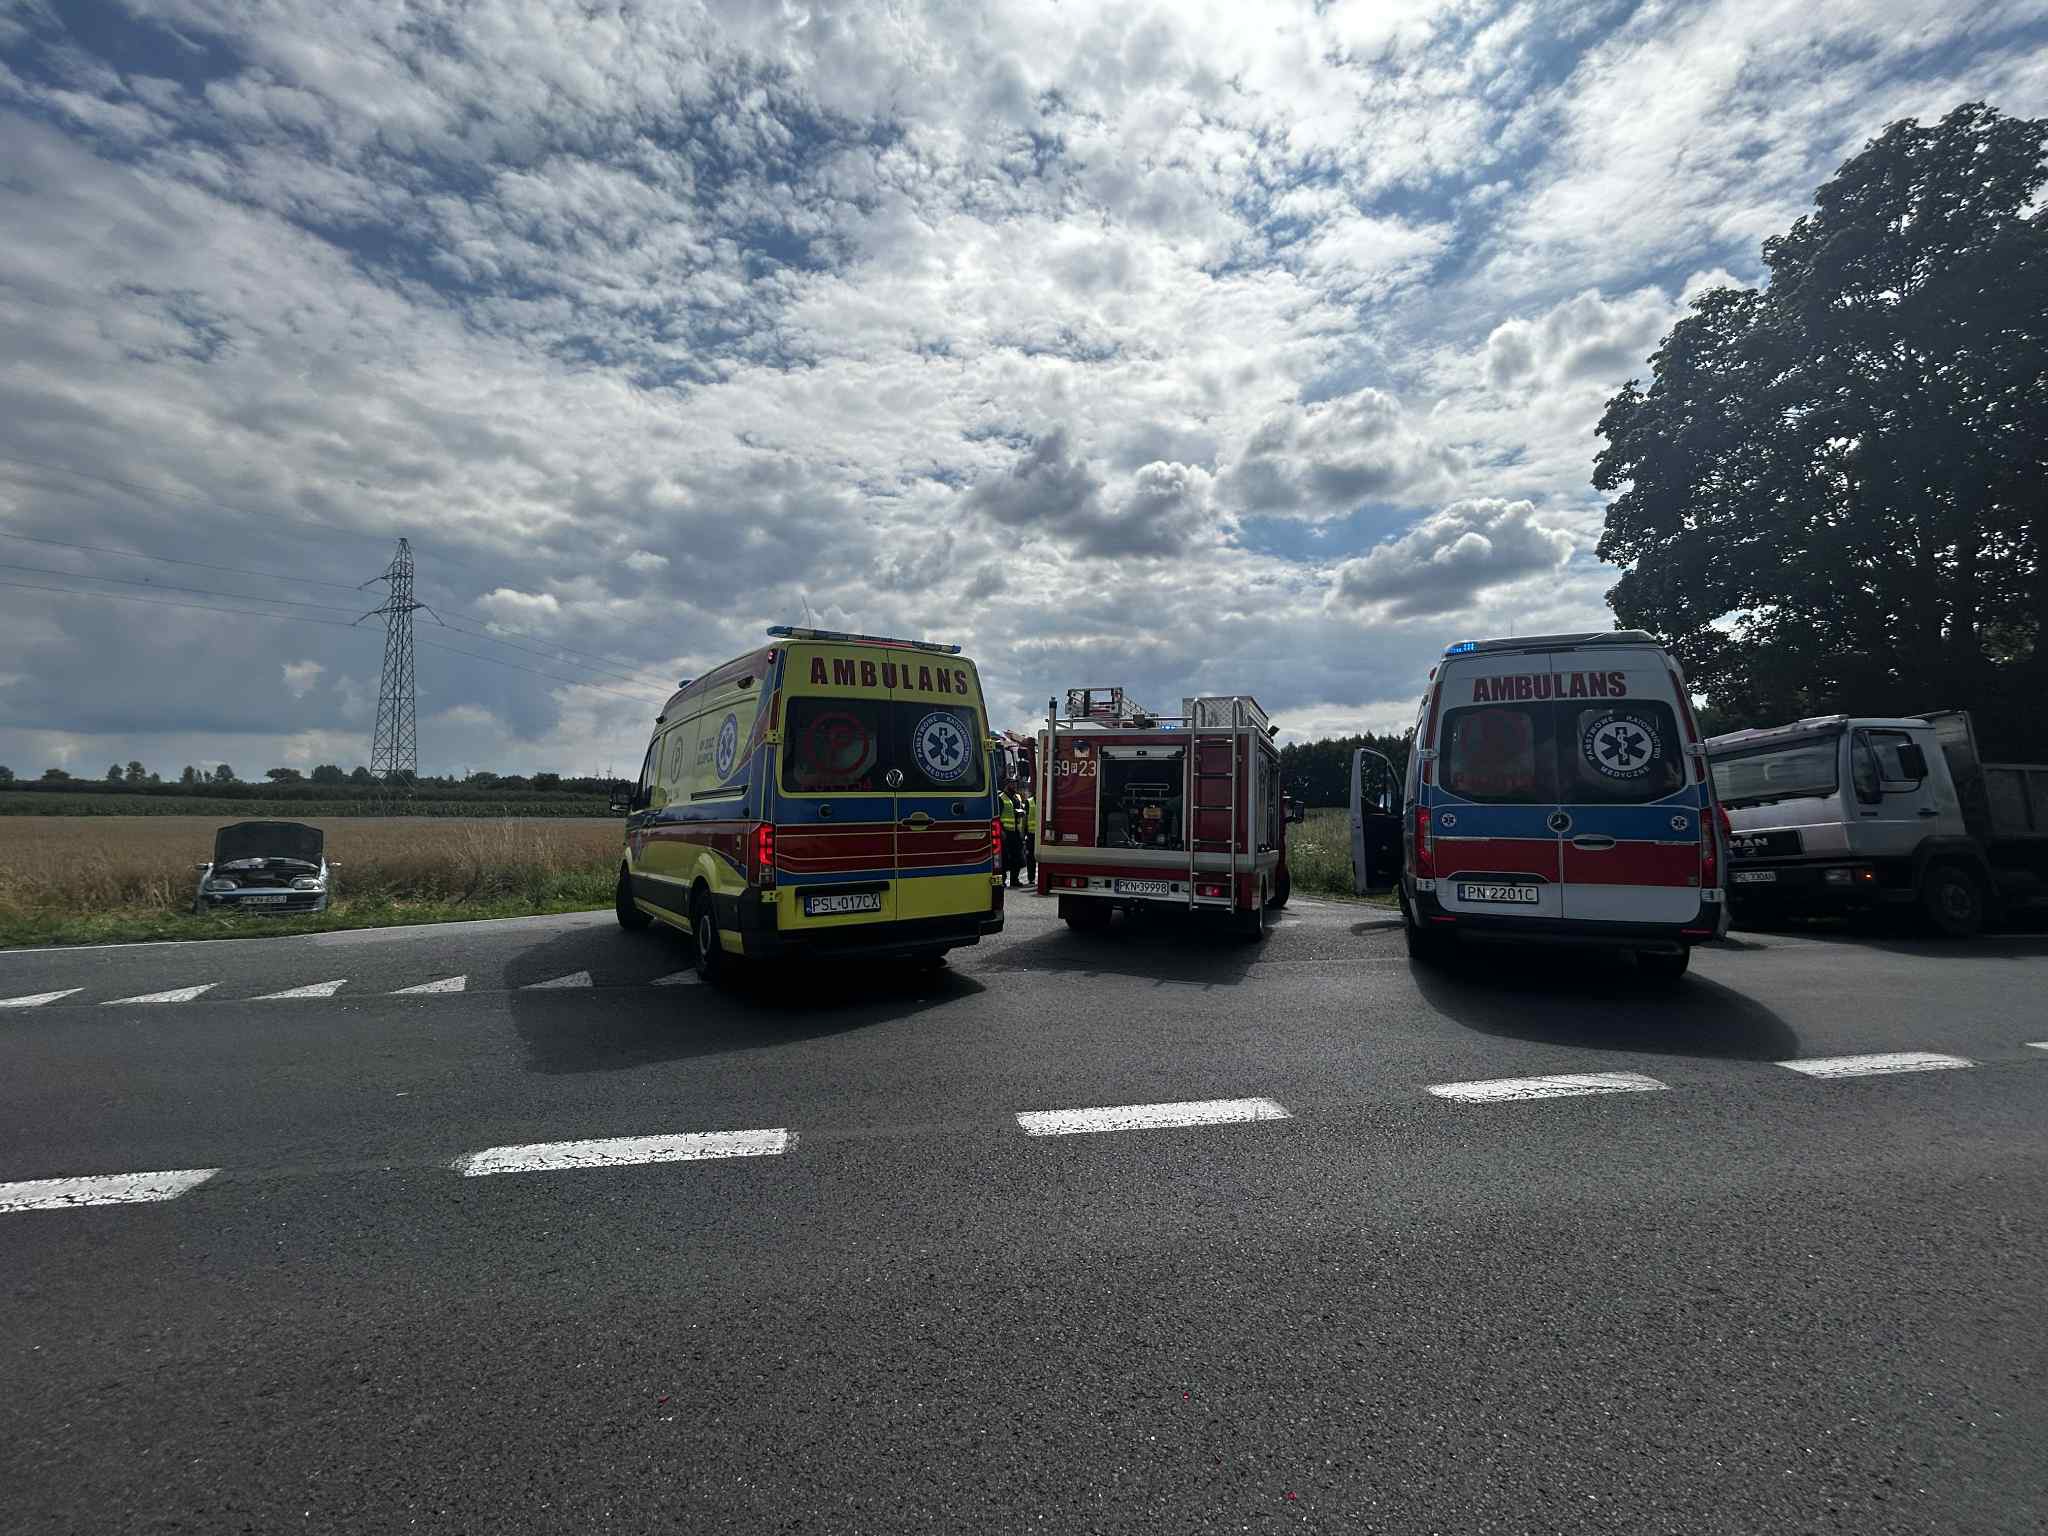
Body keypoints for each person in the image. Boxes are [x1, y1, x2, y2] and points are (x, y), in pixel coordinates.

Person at [1000, 779, 1026, 887]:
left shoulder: (1017, 797)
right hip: (1005, 833)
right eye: (1012, 783)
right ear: (1006, 785)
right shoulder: (1001, 798)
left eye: (1015, 783)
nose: (1014, 785)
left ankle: (1014, 880)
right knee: (1004, 858)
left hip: (1016, 832)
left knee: (1017, 857)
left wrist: (1022, 813)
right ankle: (1003, 880)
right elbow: (997, 816)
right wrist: (1001, 831)